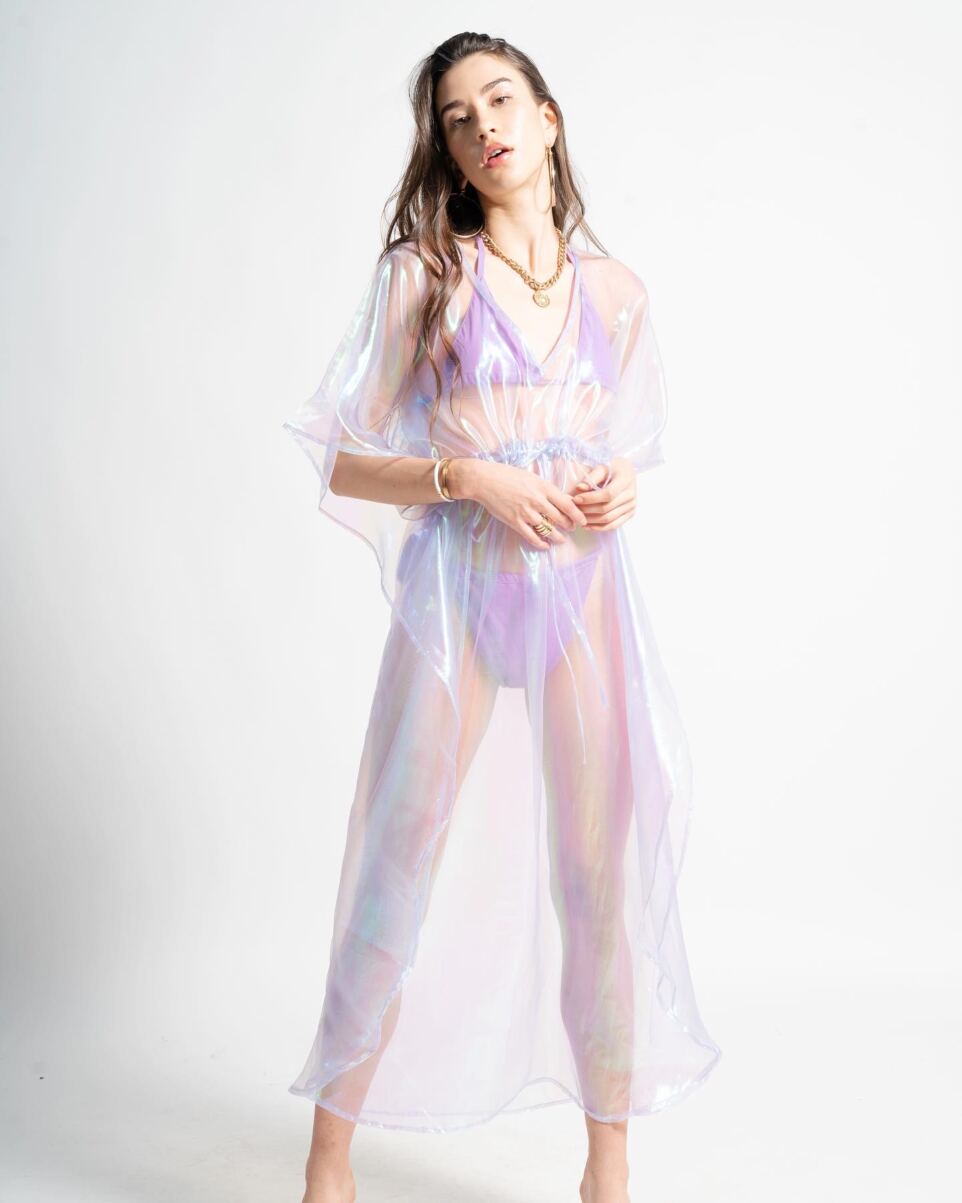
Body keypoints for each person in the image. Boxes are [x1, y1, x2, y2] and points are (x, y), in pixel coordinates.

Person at [282, 31, 721, 1203]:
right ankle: (326, 1164)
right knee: (396, 863)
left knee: (594, 881)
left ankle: (607, 1172)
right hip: (456, 595)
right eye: (456, 118)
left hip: (582, 597)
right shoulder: (425, 276)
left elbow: (619, 450)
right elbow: (341, 458)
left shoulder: (617, 294)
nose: (483, 128)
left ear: (548, 117)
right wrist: (464, 476)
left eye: (500, 101)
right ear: (446, 149)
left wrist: (616, 486)